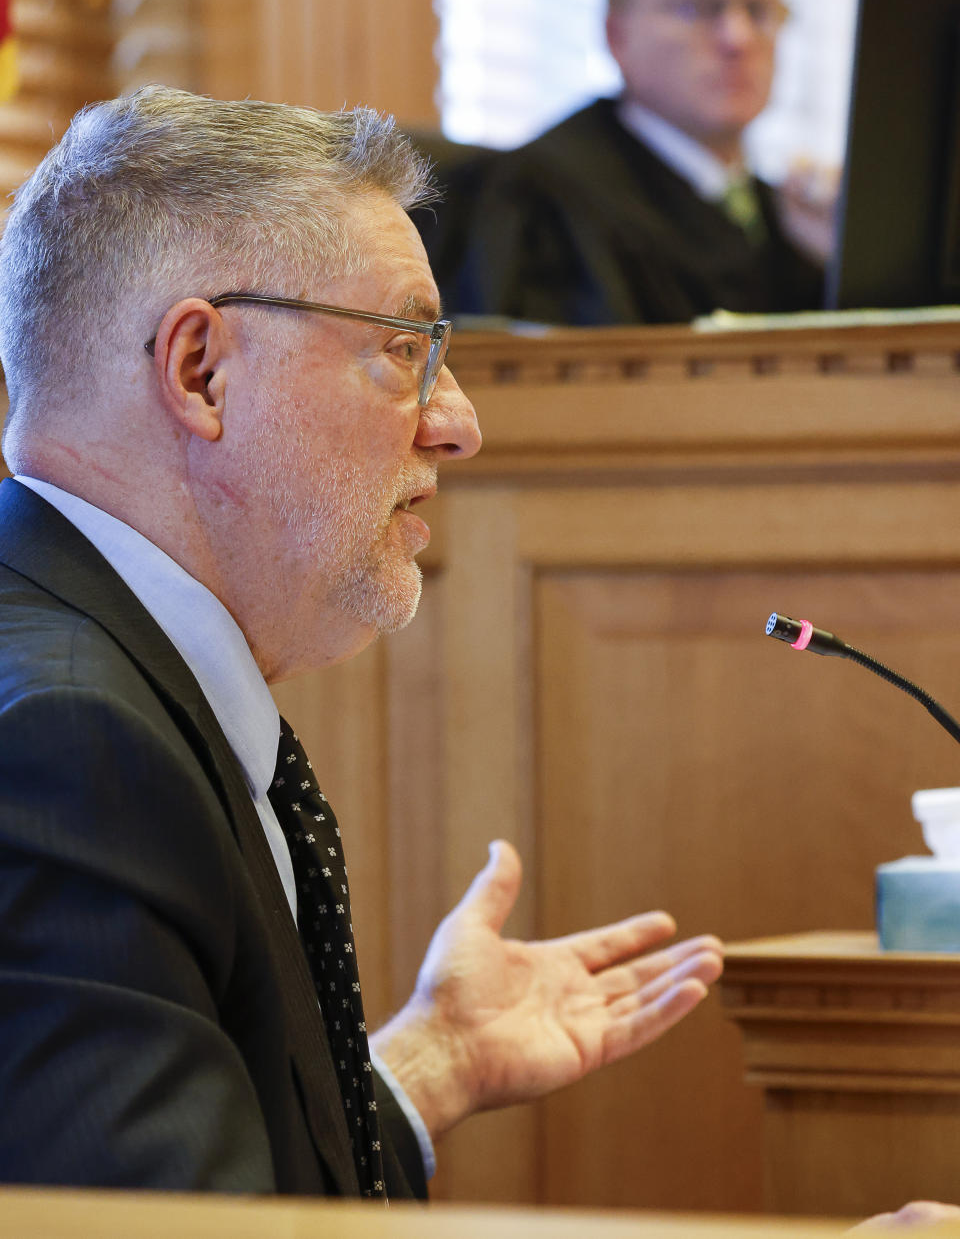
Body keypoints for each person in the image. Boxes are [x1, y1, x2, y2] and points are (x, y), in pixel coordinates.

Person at [0, 86, 724, 1199]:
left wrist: (429, 1066)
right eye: (404, 348)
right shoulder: (68, 741)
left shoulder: (101, 676)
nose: (458, 420)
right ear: (203, 370)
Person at [446, 0, 832, 325]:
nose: (739, 38)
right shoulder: (542, 201)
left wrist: (840, 268)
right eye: (701, 7)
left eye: (760, 9)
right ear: (617, 35)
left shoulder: (792, 224)